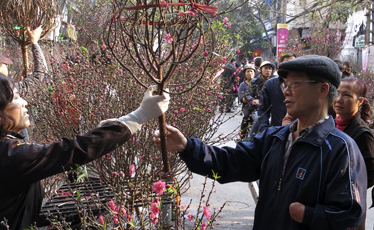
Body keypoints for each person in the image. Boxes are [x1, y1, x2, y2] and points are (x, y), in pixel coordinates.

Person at [154, 55, 367, 229]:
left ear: (323, 90)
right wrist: (186, 147)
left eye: (296, 83)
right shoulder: (275, 138)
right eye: (286, 84)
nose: (286, 91)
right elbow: (231, 162)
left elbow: (350, 214)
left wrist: (308, 215)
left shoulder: (340, 149)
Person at [0, 73, 169, 230]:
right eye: (15, 97)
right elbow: (72, 150)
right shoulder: (5, 156)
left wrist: (115, 124)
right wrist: (139, 116)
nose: (24, 102)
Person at [0, 26, 48, 140]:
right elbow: (41, 74)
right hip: (13, 149)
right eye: (4, 64)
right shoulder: (3, 89)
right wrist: (34, 42)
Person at [333, 76, 374, 188]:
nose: (338, 99)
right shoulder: (330, 124)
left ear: (360, 101)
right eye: (338, 93)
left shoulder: (362, 134)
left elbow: (370, 174)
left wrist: (346, 189)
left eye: (346, 95)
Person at [258, 53, 296, 133]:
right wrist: (265, 129)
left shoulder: (303, 84)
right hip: (277, 129)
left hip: (298, 130)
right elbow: (263, 109)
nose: (290, 66)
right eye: (287, 63)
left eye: (293, 62)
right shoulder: (270, 84)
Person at [244, 60, 275, 138]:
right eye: (266, 68)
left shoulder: (275, 81)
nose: (268, 70)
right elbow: (247, 94)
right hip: (256, 109)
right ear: (261, 70)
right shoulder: (254, 82)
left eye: (270, 68)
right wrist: (253, 100)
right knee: (259, 120)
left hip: (272, 109)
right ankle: (251, 141)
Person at [238, 64, 256, 139]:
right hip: (247, 106)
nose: (249, 73)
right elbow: (242, 98)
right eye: (248, 71)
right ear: (244, 73)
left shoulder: (257, 83)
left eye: (251, 71)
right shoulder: (243, 85)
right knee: (246, 117)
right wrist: (248, 99)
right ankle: (242, 134)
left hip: (258, 106)